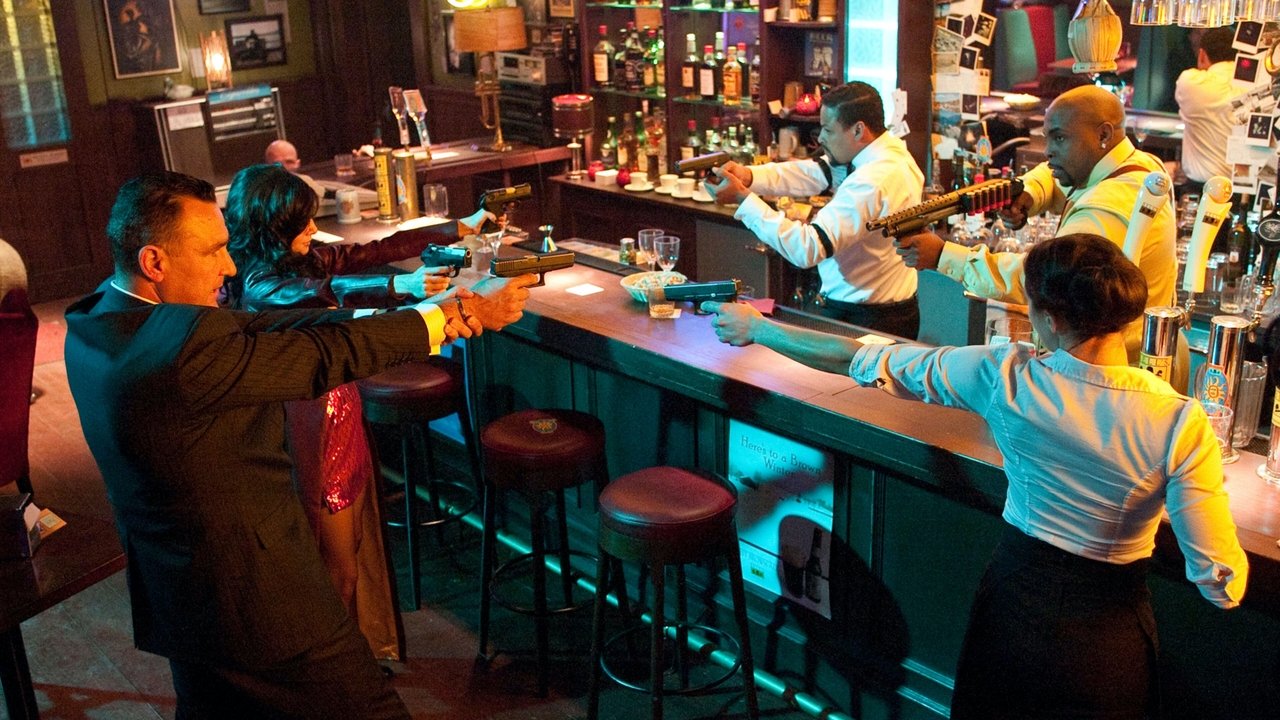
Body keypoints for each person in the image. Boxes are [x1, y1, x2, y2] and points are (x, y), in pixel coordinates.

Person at [703, 233, 1248, 719]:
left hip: (1014, 606)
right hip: (1106, 641)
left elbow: (859, 359)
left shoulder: (1004, 375)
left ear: (1051, 319)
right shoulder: (1180, 420)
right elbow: (1218, 584)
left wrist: (759, 329)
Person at [64, 171, 535, 718]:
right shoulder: (181, 354)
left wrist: (402, 311)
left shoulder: (100, 318)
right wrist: (454, 316)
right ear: (154, 262)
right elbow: (317, 357)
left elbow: (258, 327)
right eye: (213, 251)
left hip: (184, 596)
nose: (230, 267)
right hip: (260, 602)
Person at [222, 163, 489, 661]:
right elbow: (325, 294)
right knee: (337, 564)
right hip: (312, 425)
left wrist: (458, 227)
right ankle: (337, 668)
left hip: (339, 412)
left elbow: (369, 251)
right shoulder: (260, 283)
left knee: (351, 545)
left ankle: (350, 657)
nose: (312, 228)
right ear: (272, 227)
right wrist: (401, 290)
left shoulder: (291, 258)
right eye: (300, 222)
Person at [896, 85, 1177, 368]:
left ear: (1103, 135)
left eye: (1060, 138)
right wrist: (1029, 194)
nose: (1048, 151)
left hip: (1106, 369)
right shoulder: (1137, 163)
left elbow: (1043, 280)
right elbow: (1049, 175)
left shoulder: (1107, 207)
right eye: (1047, 138)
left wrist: (943, 256)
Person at [705, 81, 925, 339]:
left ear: (858, 130)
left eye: (828, 130)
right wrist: (749, 175)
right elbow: (815, 172)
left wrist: (744, 201)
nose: (820, 138)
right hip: (885, 310)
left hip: (866, 320)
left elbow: (807, 248)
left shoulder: (873, 180)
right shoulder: (889, 153)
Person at [1176, 26, 1239, 190]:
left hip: (1201, 189)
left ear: (1202, 54)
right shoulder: (1257, 85)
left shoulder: (1190, 82)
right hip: (1248, 192)